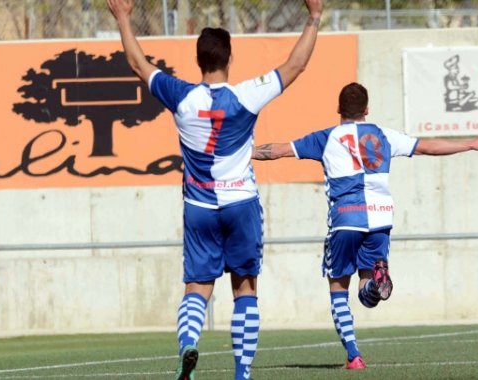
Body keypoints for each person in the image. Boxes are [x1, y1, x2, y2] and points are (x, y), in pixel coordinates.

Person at [106, 0, 323, 379]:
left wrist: (123, 17)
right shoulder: (246, 95)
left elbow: (139, 65)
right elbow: (296, 66)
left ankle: (189, 343)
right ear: (230, 58)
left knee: (197, 288)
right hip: (241, 203)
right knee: (245, 288)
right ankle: (242, 373)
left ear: (198, 60)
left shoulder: (181, 96)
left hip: (199, 208)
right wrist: (314, 17)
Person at [252, 82, 478, 368]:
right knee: (366, 293)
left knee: (338, 288)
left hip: (346, 217)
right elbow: (428, 147)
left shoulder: (327, 137)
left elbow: (278, 150)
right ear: (366, 110)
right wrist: (472, 143)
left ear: (338, 109)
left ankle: (354, 355)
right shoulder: (384, 135)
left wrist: (242, 153)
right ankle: (374, 285)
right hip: (381, 218)